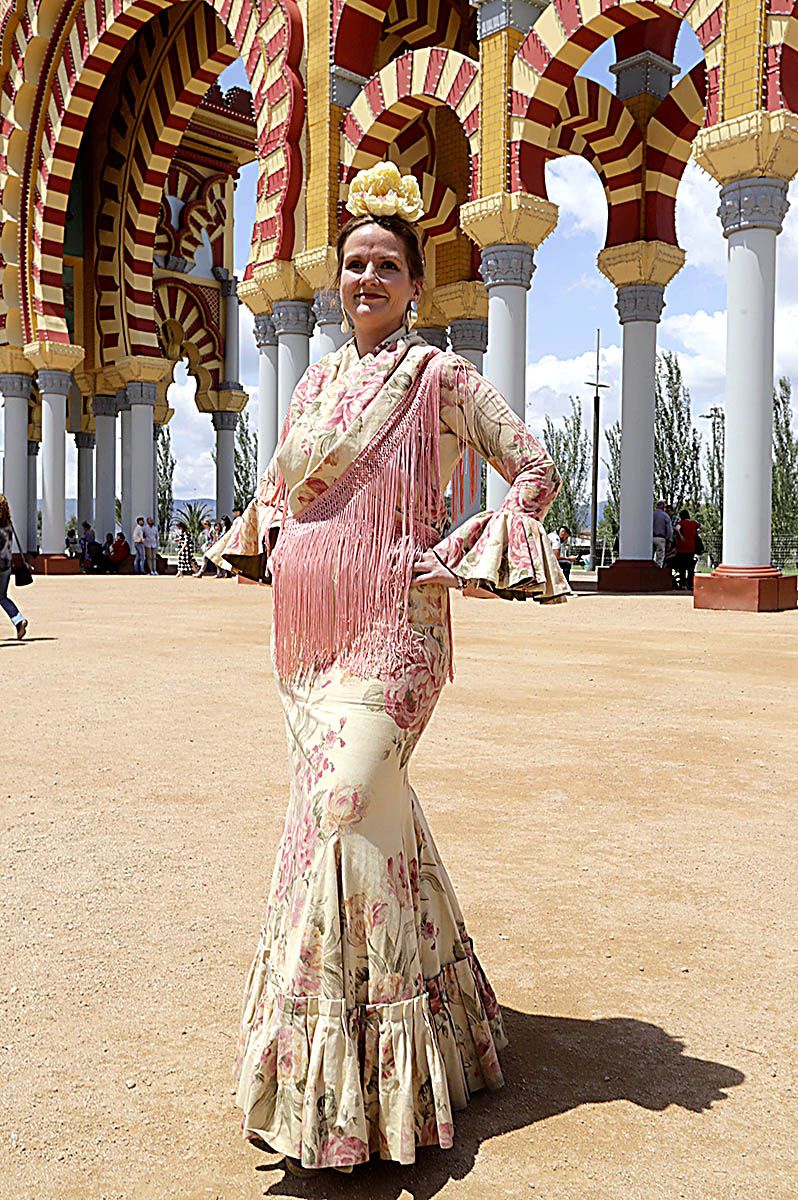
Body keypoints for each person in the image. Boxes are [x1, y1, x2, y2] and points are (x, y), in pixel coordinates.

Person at [206, 162, 569, 1176]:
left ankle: (351, 1093)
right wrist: (275, 543)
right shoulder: (318, 382)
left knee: (343, 806)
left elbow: (536, 471)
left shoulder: (442, 378)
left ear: (416, 282)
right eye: (354, 265)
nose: (367, 278)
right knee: (367, 829)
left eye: (386, 266)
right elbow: (277, 492)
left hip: (396, 638)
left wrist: (452, 555)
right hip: (310, 642)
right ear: (338, 284)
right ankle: (447, 1041)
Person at [0, 493, 29, 639]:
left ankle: (18, 620)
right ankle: (18, 619)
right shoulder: (8, 525)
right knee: (2, 596)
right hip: (6, 566)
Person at [673, 509, 702, 592]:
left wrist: (681, 536)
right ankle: (690, 585)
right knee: (690, 568)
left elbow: (677, 528)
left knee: (682, 567)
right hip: (691, 549)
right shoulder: (694, 523)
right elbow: (703, 527)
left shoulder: (681, 523)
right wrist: (696, 533)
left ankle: (682, 584)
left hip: (681, 548)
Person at [652, 500, 673, 568]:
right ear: (663, 507)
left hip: (650, 538)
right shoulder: (665, 516)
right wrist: (670, 541)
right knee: (659, 559)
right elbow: (669, 530)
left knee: (650, 557)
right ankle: (658, 573)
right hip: (661, 538)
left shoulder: (651, 515)